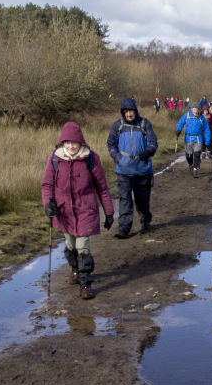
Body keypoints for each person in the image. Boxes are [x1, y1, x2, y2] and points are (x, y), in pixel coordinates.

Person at [42, 122, 114, 300]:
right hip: (63, 211)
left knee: (82, 246)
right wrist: (47, 204)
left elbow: (102, 188)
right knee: (70, 245)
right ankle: (75, 270)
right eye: (67, 142)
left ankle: (85, 283)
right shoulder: (54, 159)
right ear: (62, 143)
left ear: (81, 142)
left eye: (74, 142)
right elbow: (47, 185)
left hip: (85, 210)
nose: (71, 146)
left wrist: (109, 212)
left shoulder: (91, 158)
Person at [107, 97, 158, 238]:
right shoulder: (118, 125)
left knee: (142, 200)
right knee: (125, 199)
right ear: (122, 113)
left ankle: (145, 220)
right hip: (123, 170)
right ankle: (123, 228)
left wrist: (149, 151)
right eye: (126, 112)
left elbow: (153, 141)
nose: (128, 114)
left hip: (143, 170)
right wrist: (118, 159)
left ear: (135, 110)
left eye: (130, 111)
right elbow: (110, 144)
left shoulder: (144, 124)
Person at [176, 101, 211, 177]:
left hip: (198, 139)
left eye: (197, 109)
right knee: (189, 156)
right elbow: (180, 123)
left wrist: (207, 141)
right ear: (191, 109)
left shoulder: (202, 118)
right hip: (188, 139)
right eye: (194, 109)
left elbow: (206, 129)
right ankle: (190, 165)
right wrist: (178, 129)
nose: (196, 111)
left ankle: (196, 169)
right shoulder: (187, 115)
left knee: (197, 154)